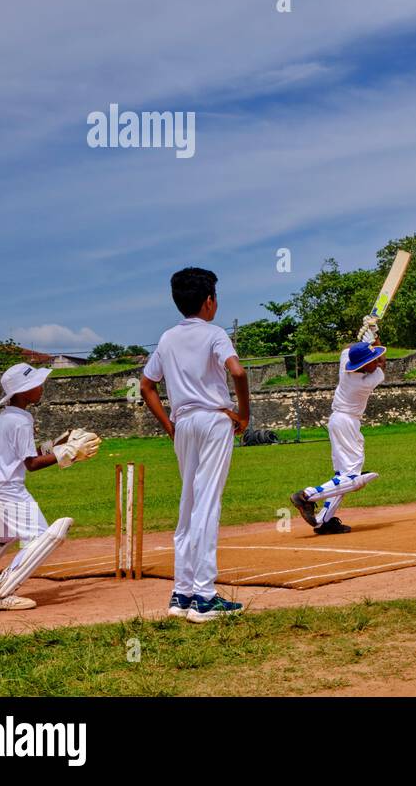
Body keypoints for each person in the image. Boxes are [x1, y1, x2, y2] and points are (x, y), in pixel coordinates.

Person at [140, 267, 250, 623]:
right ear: (209, 302)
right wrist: (243, 414)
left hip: (184, 423)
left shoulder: (167, 338)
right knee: (207, 503)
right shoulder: (215, 333)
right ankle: (204, 597)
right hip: (215, 419)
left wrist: (169, 424)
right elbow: (238, 372)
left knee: (189, 505)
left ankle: (181, 594)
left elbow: (147, 385)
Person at [0, 364, 100, 610]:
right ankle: (1, 594)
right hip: (6, 489)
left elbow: (26, 455)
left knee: (4, 535)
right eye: (36, 384)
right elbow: (32, 464)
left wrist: (59, 442)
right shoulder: (20, 420)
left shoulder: (10, 416)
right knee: (40, 537)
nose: (41, 387)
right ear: (24, 391)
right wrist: (68, 453)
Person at [290, 340, 387, 534]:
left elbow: (348, 349)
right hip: (347, 423)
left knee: (341, 476)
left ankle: (323, 521)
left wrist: (364, 339)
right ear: (362, 365)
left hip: (337, 421)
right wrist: (375, 339)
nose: (375, 363)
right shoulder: (366, 381)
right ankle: (306, 495)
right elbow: (382, 362)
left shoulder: (346, 364)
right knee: (352, 478)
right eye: (371, 360)